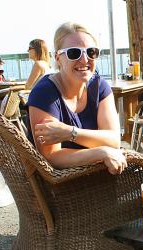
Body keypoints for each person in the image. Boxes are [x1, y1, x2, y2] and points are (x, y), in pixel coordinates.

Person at [27, 22, 126, 175]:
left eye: (91, 52)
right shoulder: (44, 94)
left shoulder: (100, 87)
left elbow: (113, 140)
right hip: (60, 186)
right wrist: (101, 152)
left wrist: (70, 133)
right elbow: (51, 157)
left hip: (98, 177)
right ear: (58, 58)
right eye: (75, 53)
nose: (85, 60)